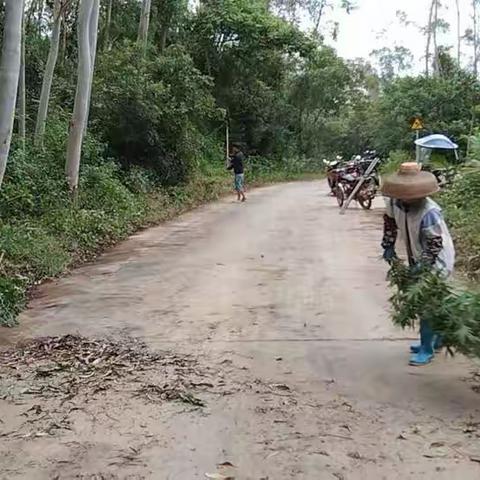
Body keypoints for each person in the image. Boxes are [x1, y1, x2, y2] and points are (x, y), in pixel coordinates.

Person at [381, 162, 455, 366]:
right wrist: (387, 246)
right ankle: (437, 338)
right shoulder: (394, 203)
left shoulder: (429, 211)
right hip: (416, 253)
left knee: (426, 303)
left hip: (438, 258)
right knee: (433, 302)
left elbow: (434, 245)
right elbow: (389, 222)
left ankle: (426, 348)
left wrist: (422, 268)